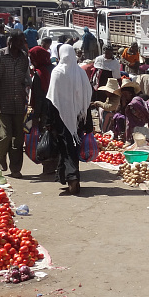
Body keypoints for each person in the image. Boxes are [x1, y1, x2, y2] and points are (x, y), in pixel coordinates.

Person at [44, 44, 92, 194]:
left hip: (61, 118)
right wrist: (87, 121)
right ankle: (67, 176)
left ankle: (72, 178)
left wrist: (49, 122)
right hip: (78, 118)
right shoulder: (81, 73)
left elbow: (52, 99)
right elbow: (87, 98)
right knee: (72, 148)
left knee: (66, 149)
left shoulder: (57, 72)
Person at [0, 29, 30, 178]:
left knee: (18, 139)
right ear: (12, 41)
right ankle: (1, 155)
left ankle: (15, 169)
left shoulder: (24, 58)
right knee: (6, 136)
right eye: (20, 41)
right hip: (2, 103)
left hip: (19, 104)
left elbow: (26, 78)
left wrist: (28, 91)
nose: (23, 44)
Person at [28, 45, 58, 174]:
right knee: (56, 137)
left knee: (46, 138)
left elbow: (39, 97)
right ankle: (56, 163)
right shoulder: (55, 70)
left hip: (46, 112)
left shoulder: (39, 74)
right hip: (58, 109)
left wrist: (36, 116)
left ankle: (48, 167)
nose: (32, 61)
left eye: (32, 58)